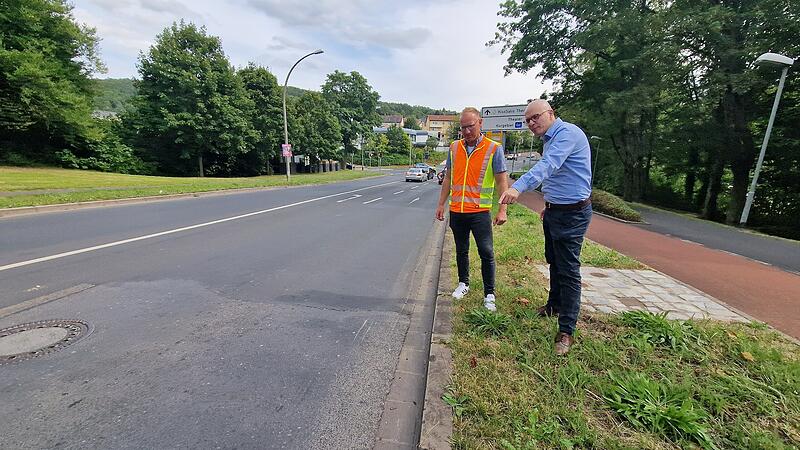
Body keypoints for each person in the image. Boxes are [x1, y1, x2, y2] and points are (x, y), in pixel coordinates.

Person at [498, 100, 592, 356]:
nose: (531, 123)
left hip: (572, 214)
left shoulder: (567, 134)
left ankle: (566, 330)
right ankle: (554, 305)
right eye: (527, 120)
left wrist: (518, 187)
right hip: (555, 210)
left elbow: (548, 166)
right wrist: (549, 204)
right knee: (554, 261)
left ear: (551, 114)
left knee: (569, 270)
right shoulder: (550, 138)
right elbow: (558, 175)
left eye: (535, 117)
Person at [436, 107, 509, 312]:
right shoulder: (454, 147)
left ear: (480, 123)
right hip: (457, 211)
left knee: (486, 251)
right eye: (463, 127)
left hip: (479, 211)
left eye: (471, 126)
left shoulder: (493, 149)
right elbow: (448, 178)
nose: (467, 131)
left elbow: (502, 181)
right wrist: (441, 204)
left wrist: (502, 210)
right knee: (461, 250)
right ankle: (463, 283)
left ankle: (489, 293)